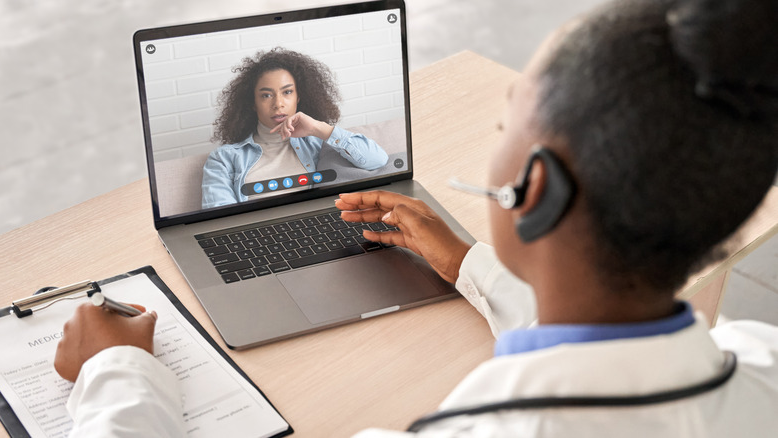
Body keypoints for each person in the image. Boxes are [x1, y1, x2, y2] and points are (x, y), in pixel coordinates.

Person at [55, 0, 778, 436]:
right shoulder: (761, 361)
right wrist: (468, 262)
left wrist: (116, 372)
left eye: (504, 129)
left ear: (534, 193)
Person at [201, 48, 389, 209]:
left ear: (299, 97)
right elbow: (219, 220)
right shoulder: (224, 159)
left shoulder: (318, 142)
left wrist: (320, 128)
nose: (278, 104)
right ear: (252, 103)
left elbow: (377, 160)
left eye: (287, 92)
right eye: (266, 95)